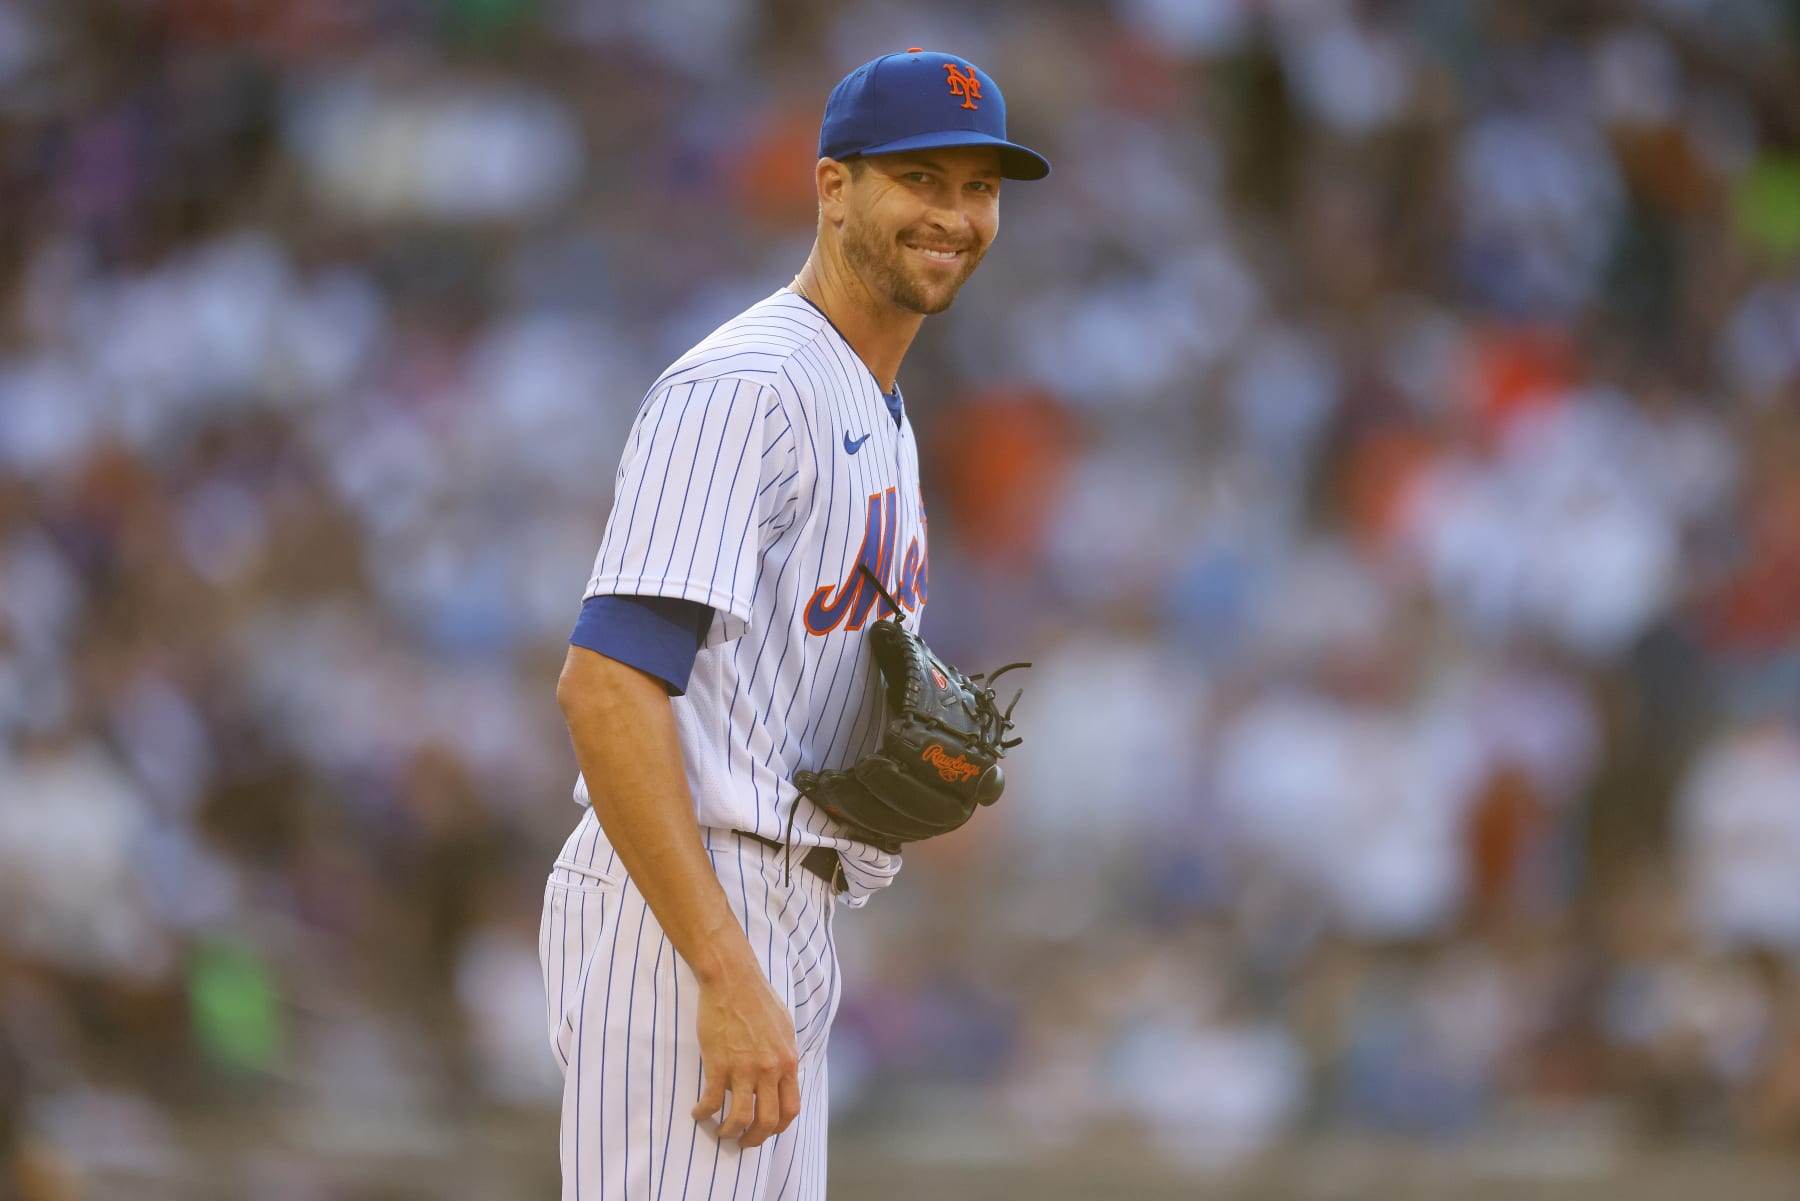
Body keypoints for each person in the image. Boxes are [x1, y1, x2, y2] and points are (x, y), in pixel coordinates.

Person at [540, 48, 1049, 1201]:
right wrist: (721, 970)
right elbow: (605, 685)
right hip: (688, 905)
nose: (956, 215)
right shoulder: (747, 386)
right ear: (832, 187)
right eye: (922, 177)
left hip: (782, 900)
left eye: (980, 188)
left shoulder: (871, 397)